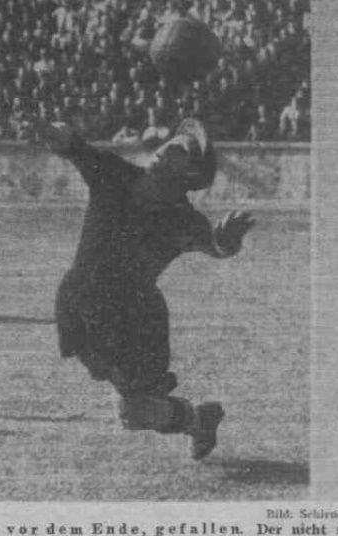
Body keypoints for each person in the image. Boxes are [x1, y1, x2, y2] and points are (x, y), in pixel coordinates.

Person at [37, 117, 255, 460]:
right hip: (80, 301)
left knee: (133, 413)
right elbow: (73, 147)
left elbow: (214, 247)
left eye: (182, 151)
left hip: (134, 316)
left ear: (190, 175)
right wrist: (54, 133)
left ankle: (198, 420)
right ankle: (198, 420)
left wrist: (228, 243)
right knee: (135, 409)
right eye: (173, 143)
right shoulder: (114, 174)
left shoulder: (184, 219)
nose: (169, 149)